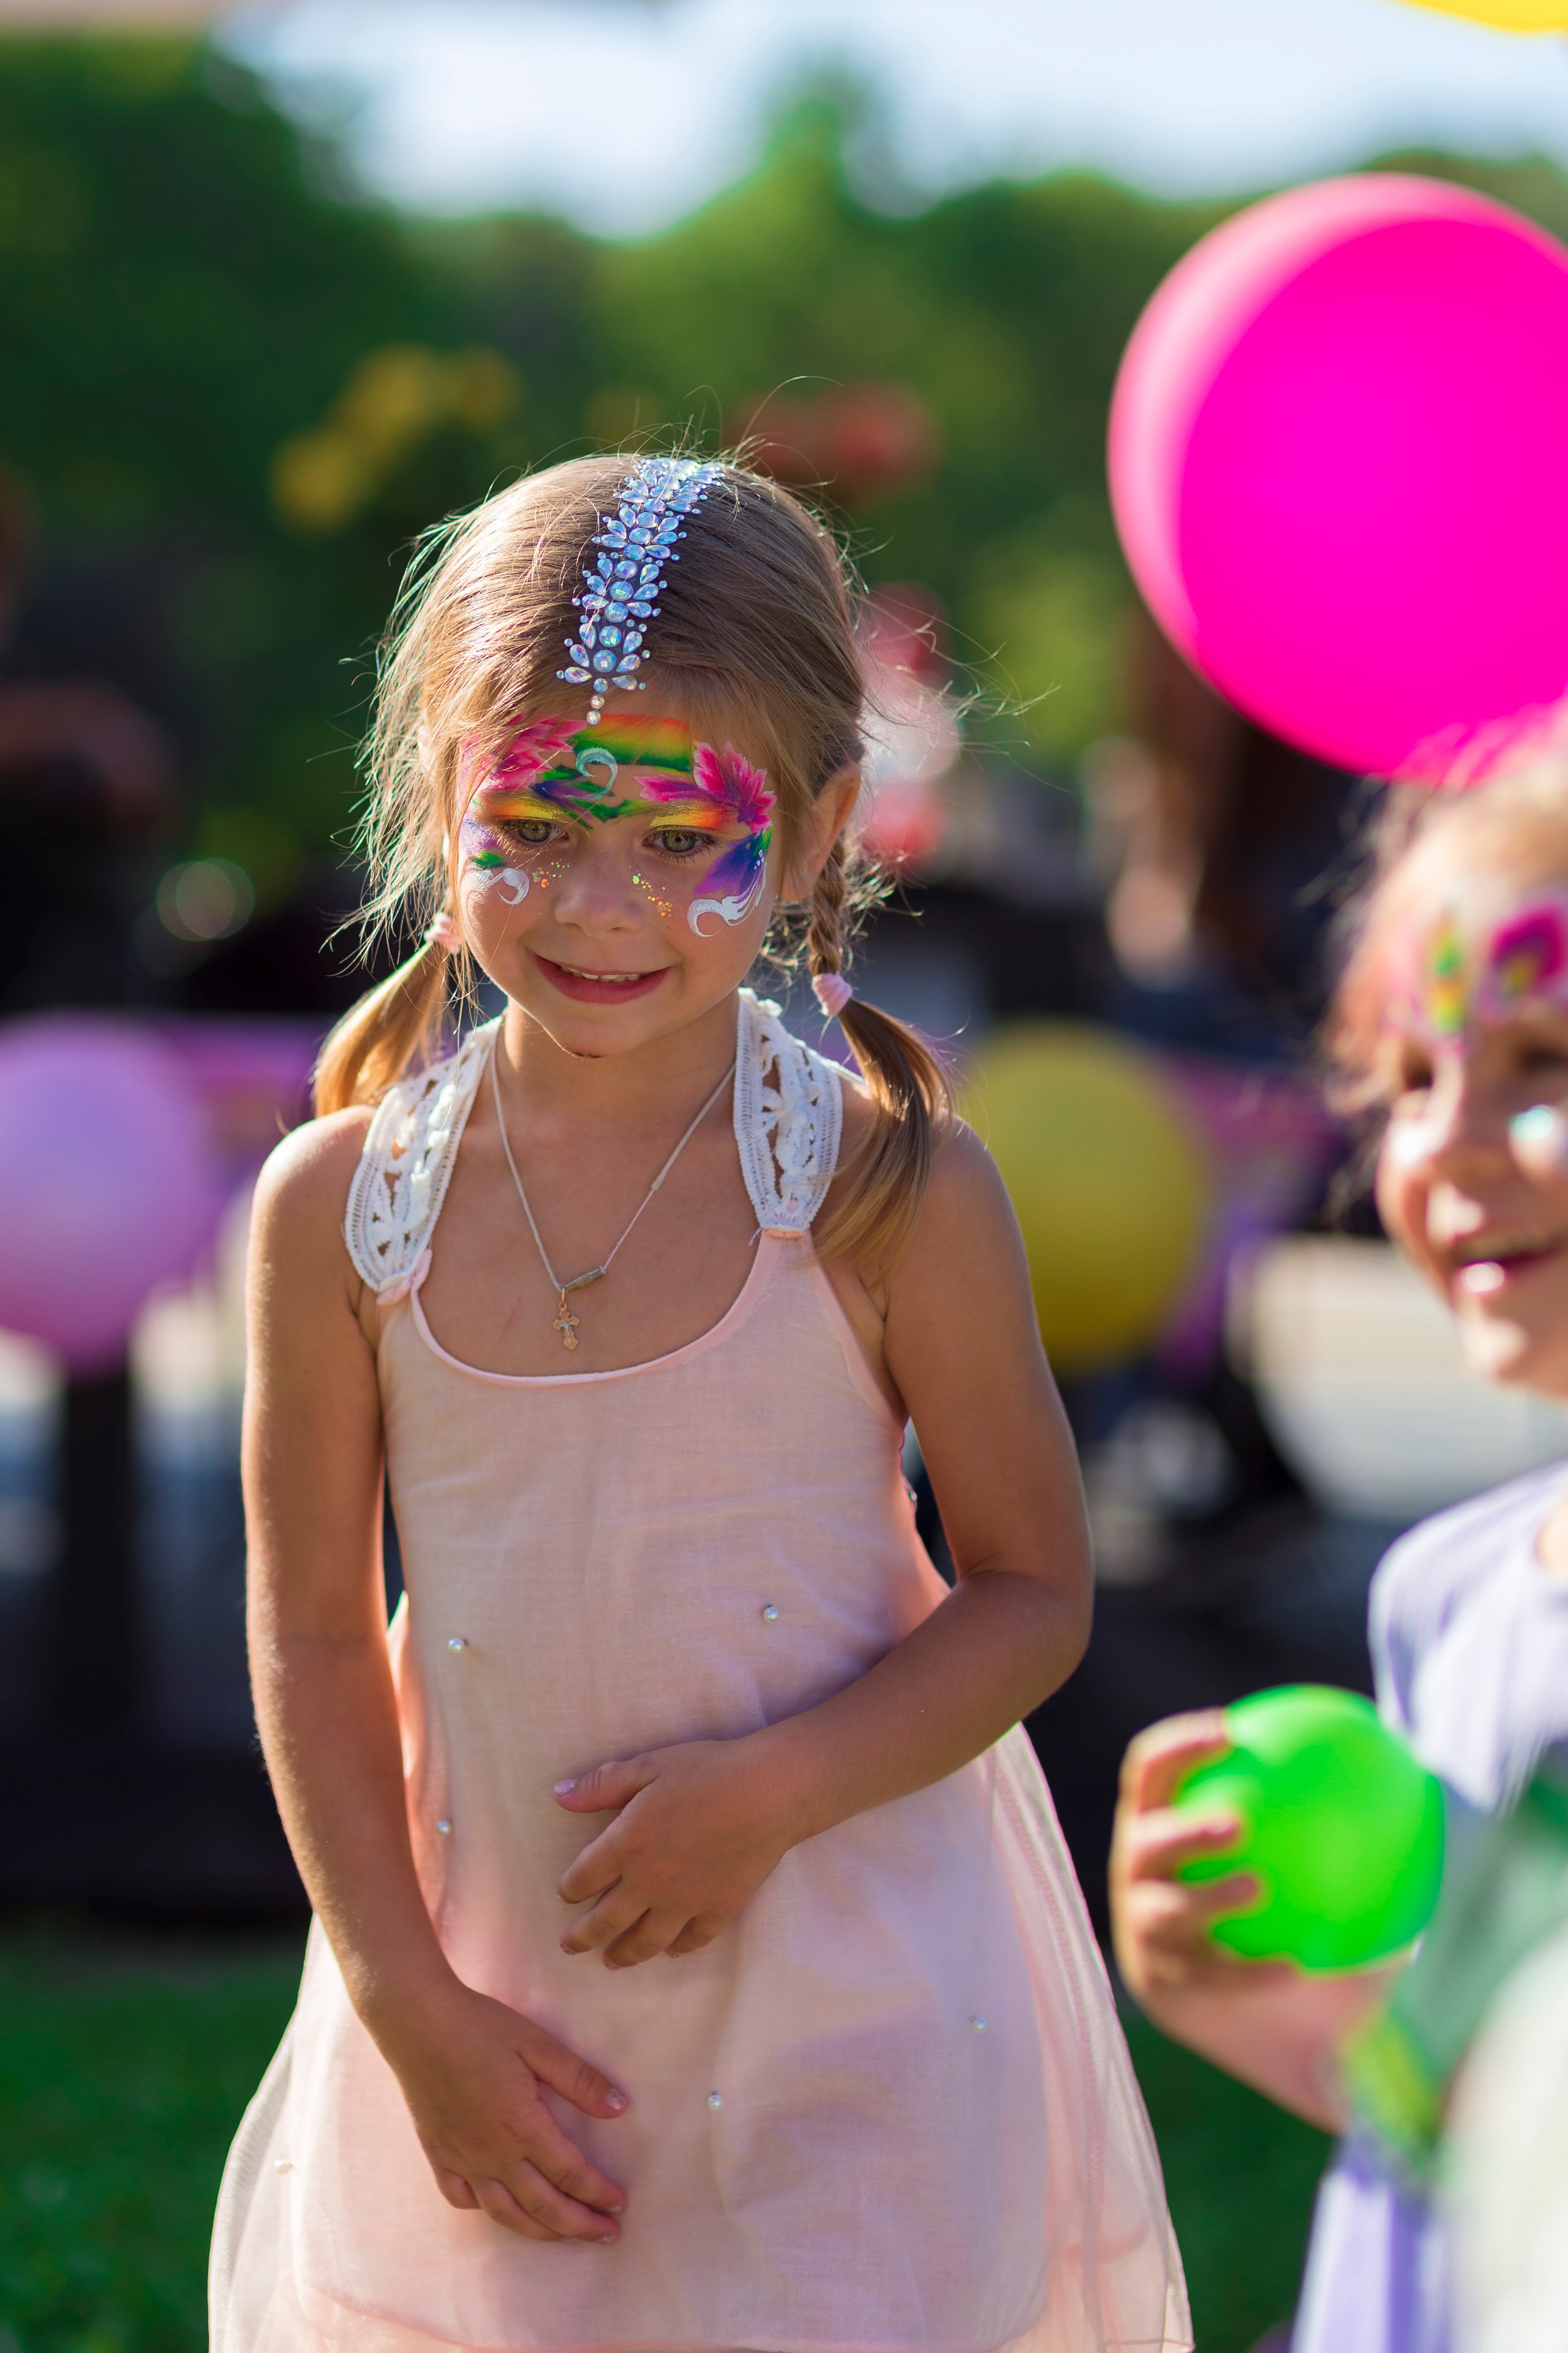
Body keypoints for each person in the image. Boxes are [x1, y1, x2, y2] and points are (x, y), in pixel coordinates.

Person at [211, 452, 1188, 2353]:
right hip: (504, 2005)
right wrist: (407, 2003)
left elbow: (1032, 1590)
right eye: (537, 826)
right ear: (436, 802)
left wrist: (772, 1792)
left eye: (682, 838)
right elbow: (315, 1632)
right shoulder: (340, 1212)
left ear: (816, 837)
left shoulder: (885, 1189)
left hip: (852, 1994)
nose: (602, 906)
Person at [1109, 758, 1568, 2353]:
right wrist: (1253, 2002)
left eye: (1541, 1062)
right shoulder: (1450, 1594)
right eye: (1412, 1079)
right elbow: (1469, 2115)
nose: (1450, 1147)